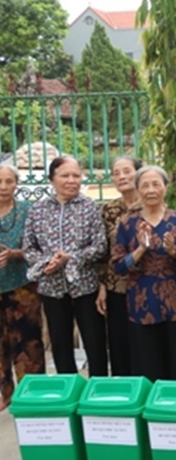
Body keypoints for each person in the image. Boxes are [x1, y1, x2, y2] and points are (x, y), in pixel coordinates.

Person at [112, 166, 176, 381]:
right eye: (145, 185)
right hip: (143, 302)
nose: (151, 190)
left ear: (166, 187)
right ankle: (151, 411)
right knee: (147, 364)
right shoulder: (127, 224)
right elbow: (118, 266)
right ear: (138, 190)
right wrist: (140, 250)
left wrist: (174, 251)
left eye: (156, 184)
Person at [23, 156, 108, 376]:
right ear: (52, 179)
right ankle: (68, 392)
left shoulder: (89, 207)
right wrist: (46, 263)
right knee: (61, 345)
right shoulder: (38, 210)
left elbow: (100, 246)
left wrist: (71, 258)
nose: (72, 180)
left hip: (85, 286)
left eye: (76, 176)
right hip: (51, 288)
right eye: (65, 175)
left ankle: (98, 392)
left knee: (95, 343)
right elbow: (29, 248)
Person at [0, 165, 44, 410]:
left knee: (28, 341)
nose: (4, 187)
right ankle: (5, 392)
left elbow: (40, 246)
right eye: (0, 181)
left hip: (22, 287)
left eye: (9, 181)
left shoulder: (28, 211)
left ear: (17, 184)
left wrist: (17, 254)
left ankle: (32, 392)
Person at [97, 155, 142, 376]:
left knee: (144, 343)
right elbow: (103, 251)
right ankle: (123, 394)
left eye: (127, 171)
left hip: (146, 285)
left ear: (138, 173)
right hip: (117, 287)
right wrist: (103, 286)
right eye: (116, 173)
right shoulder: (108, 210)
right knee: (119, 342)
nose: (122, 176)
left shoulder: (152, 203)